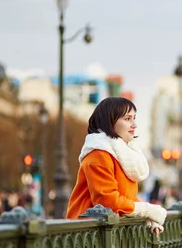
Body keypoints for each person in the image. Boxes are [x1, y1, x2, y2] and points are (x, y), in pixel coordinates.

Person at [66, 97, 166, 235]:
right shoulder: (98, 154)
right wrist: (147, 210)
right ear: (110, 123)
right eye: (127, 118)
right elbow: (108, 201)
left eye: (134, 118)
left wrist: (149, 215)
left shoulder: (122, 154)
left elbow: (126, 198)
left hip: (107, 233)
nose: (134, 124)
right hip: (86, 237)